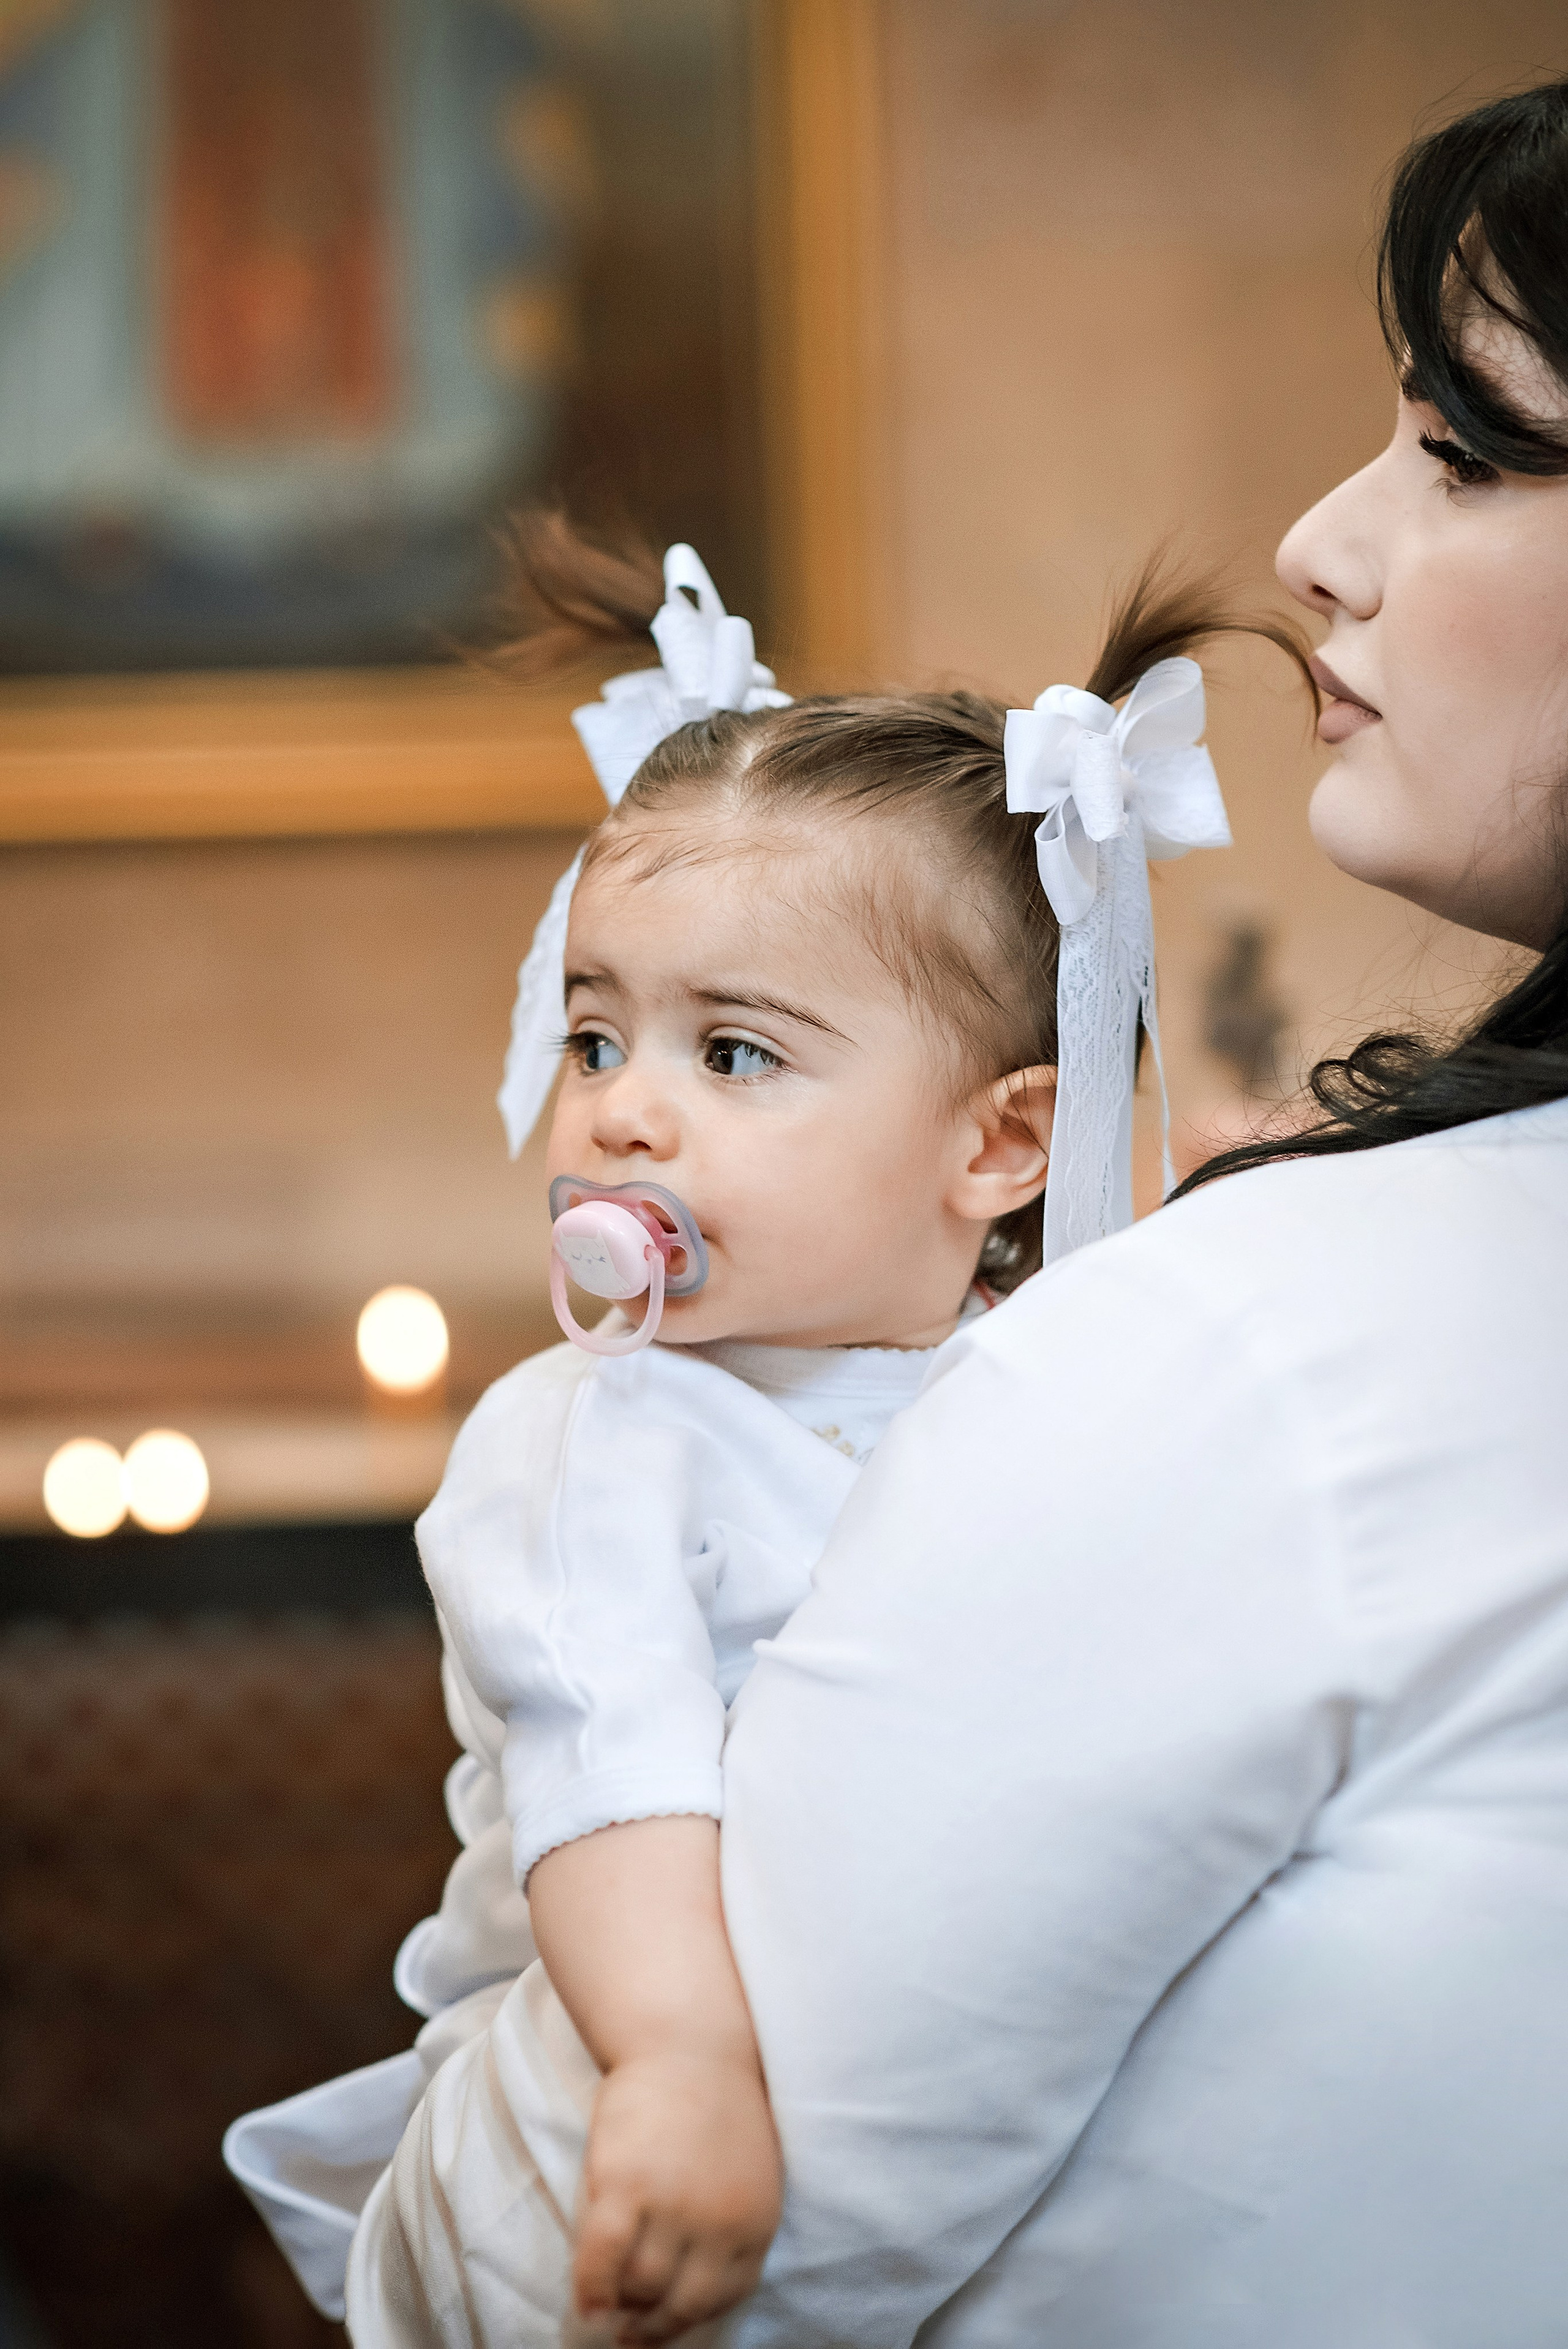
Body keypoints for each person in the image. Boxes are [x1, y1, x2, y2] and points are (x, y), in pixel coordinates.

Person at [225, 523, 1300, 2343]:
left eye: (731, 1053)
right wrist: (677, 2062)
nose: (625, 1109)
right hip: (591, 2097)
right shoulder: (590, 1431)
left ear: (1001, 1147)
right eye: (592, 1035)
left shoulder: (1027, 1378)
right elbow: (608, 1753)